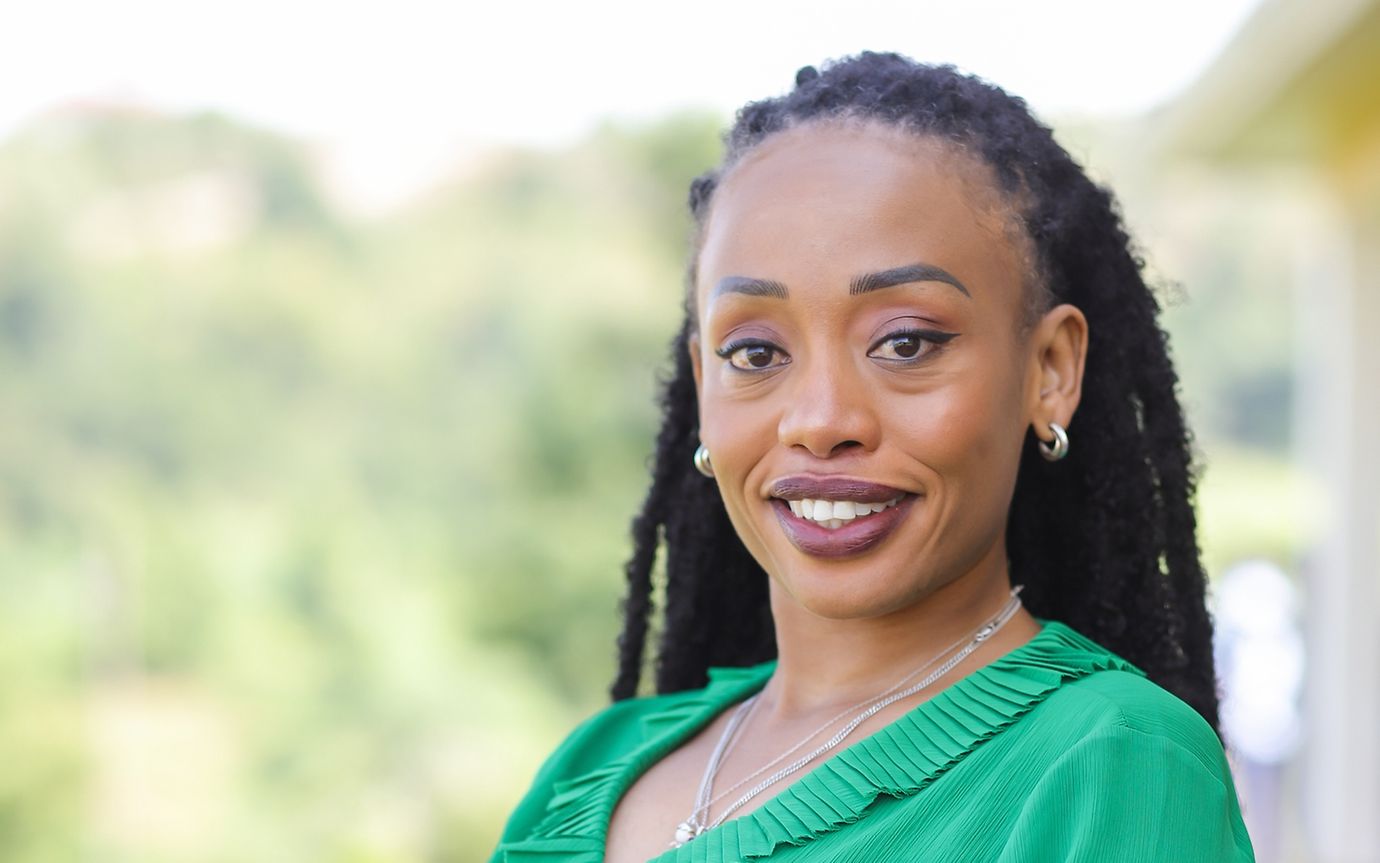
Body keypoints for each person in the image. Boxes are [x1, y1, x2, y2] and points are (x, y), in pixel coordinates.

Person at [489, 52, 1255, 862]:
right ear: (702, 381)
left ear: (1050, 371)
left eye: (905, 342)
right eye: (753, 352)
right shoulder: (593, 767)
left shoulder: (1112, 763)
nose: (822, 421)